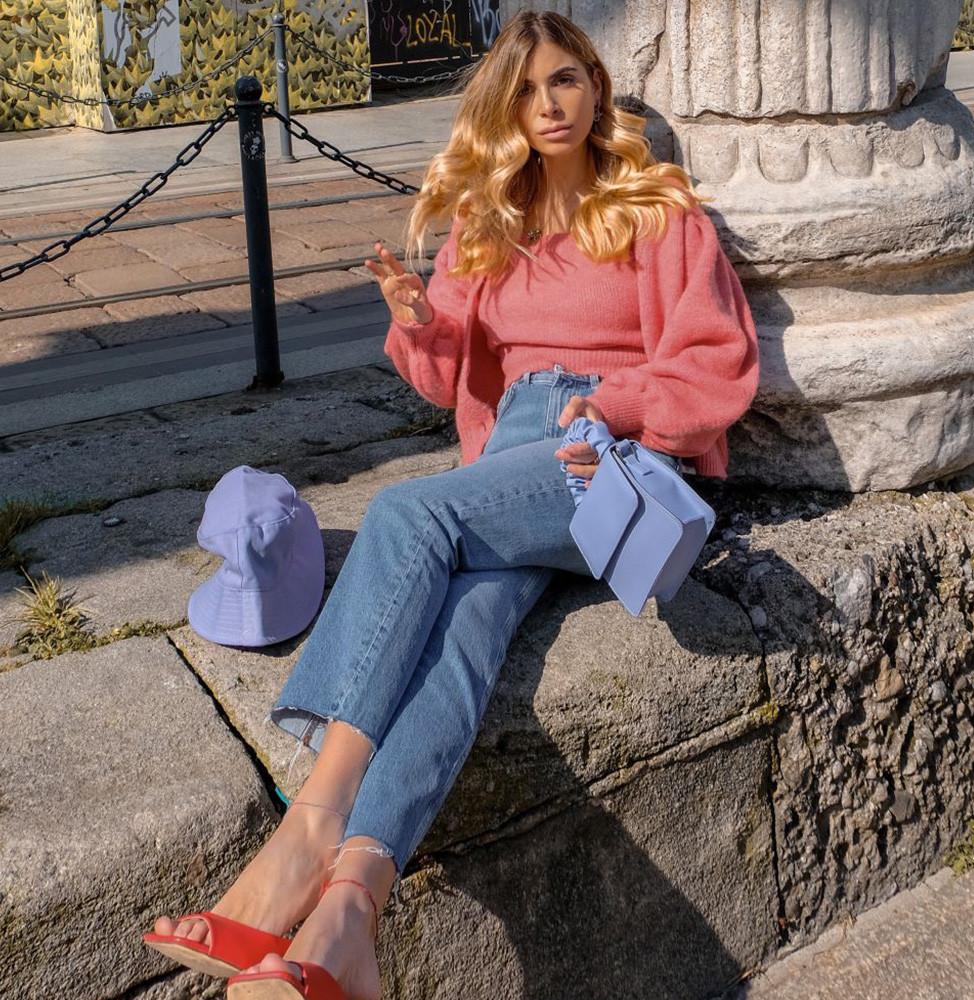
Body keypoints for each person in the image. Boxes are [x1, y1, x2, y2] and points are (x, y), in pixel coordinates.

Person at [143, 10, 759, 1000]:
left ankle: (310, 826)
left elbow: (716, 364)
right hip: (514, 457)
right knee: (465, 624)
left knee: (403, 515)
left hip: (610, 460)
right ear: (502, 111)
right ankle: (350, 916)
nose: (545, 104)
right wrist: (419, 321)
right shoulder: (490, 219)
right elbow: (443, 381)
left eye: (561, 80)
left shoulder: (655, 209)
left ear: (595, 87)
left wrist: (611, 402)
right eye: (522, 90)